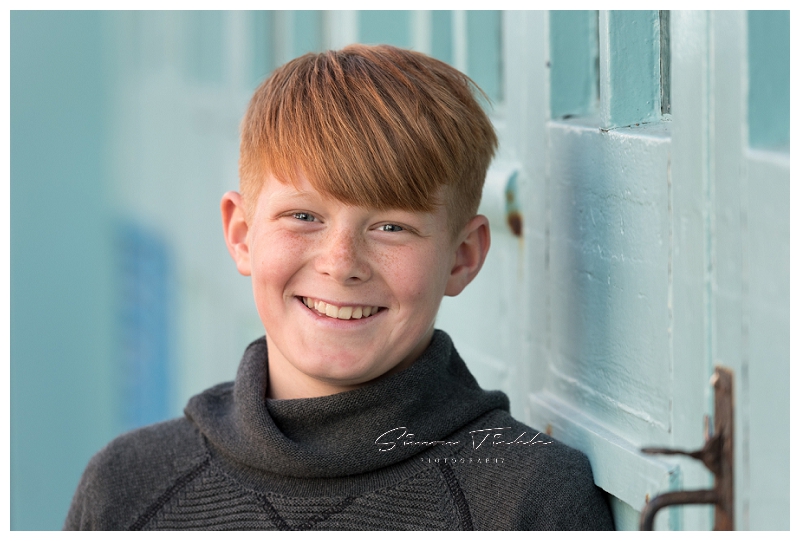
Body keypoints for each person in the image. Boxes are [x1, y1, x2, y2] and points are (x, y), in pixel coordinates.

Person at [65, 44, 614, 531]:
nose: (341, 263)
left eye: (392, 227)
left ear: (462, 258)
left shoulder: (528, 497)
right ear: (241, 235)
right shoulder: (128, 487)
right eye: (303, 216)